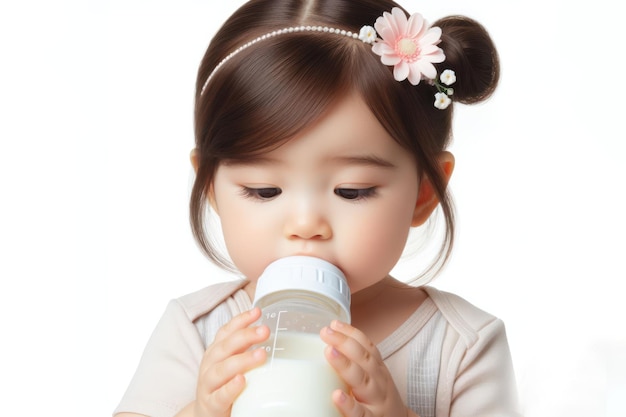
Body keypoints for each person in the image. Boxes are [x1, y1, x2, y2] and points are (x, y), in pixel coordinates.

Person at [114, 0, 519, 416]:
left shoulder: (462, 345)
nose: (306, 225)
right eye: (264, 190)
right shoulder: (199, 329)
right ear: (211, 188)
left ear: (424, 193)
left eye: (352, 191)